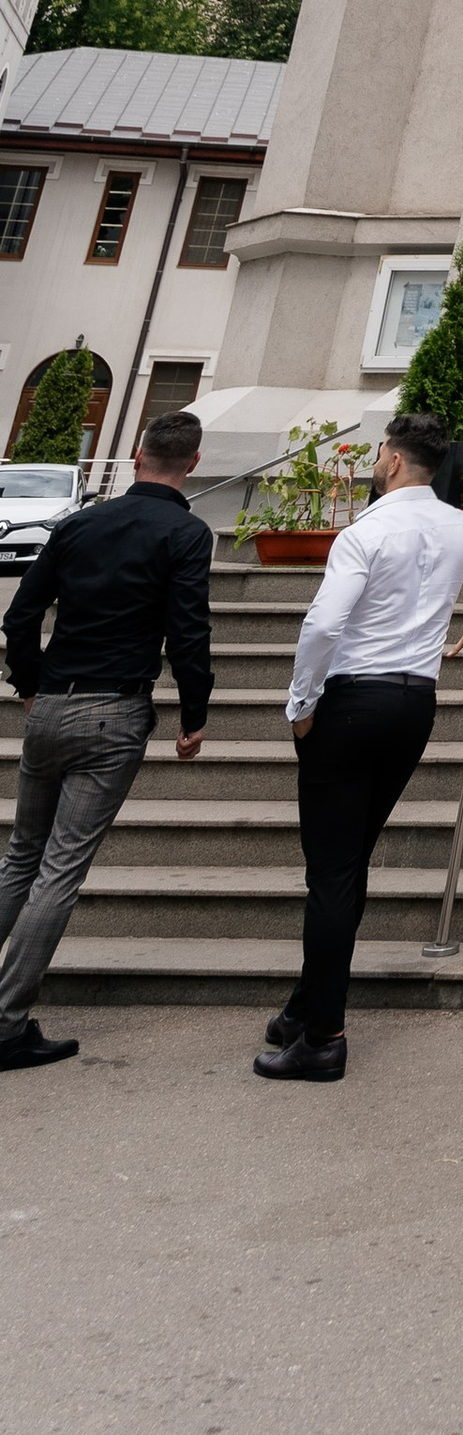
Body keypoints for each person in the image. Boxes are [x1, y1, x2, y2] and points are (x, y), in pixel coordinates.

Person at [256, 408, 463, 1083]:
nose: (374, 464)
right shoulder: (462, 525)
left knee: (332, 870)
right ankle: (305, 1006)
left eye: (377, 456)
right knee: (351, 858)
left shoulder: (366, 530)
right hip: (412, 705)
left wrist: (300, 705)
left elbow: (325, 622)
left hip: (351, 702)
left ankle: (323, 1036)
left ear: (393, 460)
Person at [0, 407, 215, 1074]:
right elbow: (187, 633)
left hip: (50, 709)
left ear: (135, 453)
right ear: (193, 464)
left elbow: (20, 614)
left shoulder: (78, 523)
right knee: (59, 872)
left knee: (20, 858)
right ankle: (6, 1025)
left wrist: (29, 685)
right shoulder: (185, 533)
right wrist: (193, 713)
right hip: (112, 714)